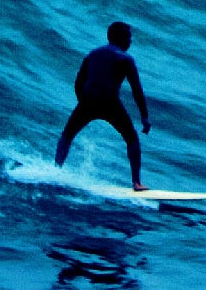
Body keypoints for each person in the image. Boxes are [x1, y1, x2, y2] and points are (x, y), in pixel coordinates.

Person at [55, 20, 149, 190]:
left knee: (67, 135)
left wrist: (82, 102)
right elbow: (137, 90)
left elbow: (79, 81)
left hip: (87, 102)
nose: (130, 41)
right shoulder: (126, 59)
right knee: (132, 139)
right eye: (128, 38)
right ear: (120, 39)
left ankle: (56, 169)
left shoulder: (93, 54)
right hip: (110, 103)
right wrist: (144, 117)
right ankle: (137, 182)